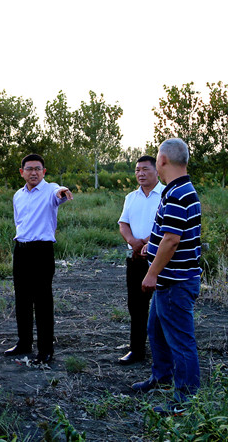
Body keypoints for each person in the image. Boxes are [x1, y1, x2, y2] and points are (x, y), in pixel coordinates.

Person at [132, 138, 202, 416]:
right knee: (156, 331)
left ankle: (185, 400)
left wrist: (151, 273)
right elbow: (169, 233)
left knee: (181, 342)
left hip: (175, 282)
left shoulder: (178, 193)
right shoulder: (177, 190)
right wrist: (152, 244)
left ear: (162, 160)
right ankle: (161, 376)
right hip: (169, 281)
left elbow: (172, 240)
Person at [4, 154, 73, 364]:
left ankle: (45, 350)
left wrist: (62, 191)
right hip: (21, 250)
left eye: (37, 169)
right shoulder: (18, 195)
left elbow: (58, 191)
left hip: (42, 252)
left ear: (44, 172)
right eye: (29, 169)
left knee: (43, 301)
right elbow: (19, 222)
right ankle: (24, 343)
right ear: (22, 172)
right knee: (22, 299)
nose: (33, 173)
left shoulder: (50, 190)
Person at [117, 155, 164, 365]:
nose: (141, 174)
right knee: (136, 306)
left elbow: (168, 227)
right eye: (137, 170)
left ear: (157, 171)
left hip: (161, 259)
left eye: (145, 169)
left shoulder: (166, 194)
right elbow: (123, 223)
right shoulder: (131, 197)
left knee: (163, 307)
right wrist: (133, 241)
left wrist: (147, 242)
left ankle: (165, 352)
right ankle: (137, 350)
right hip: (136, 258)